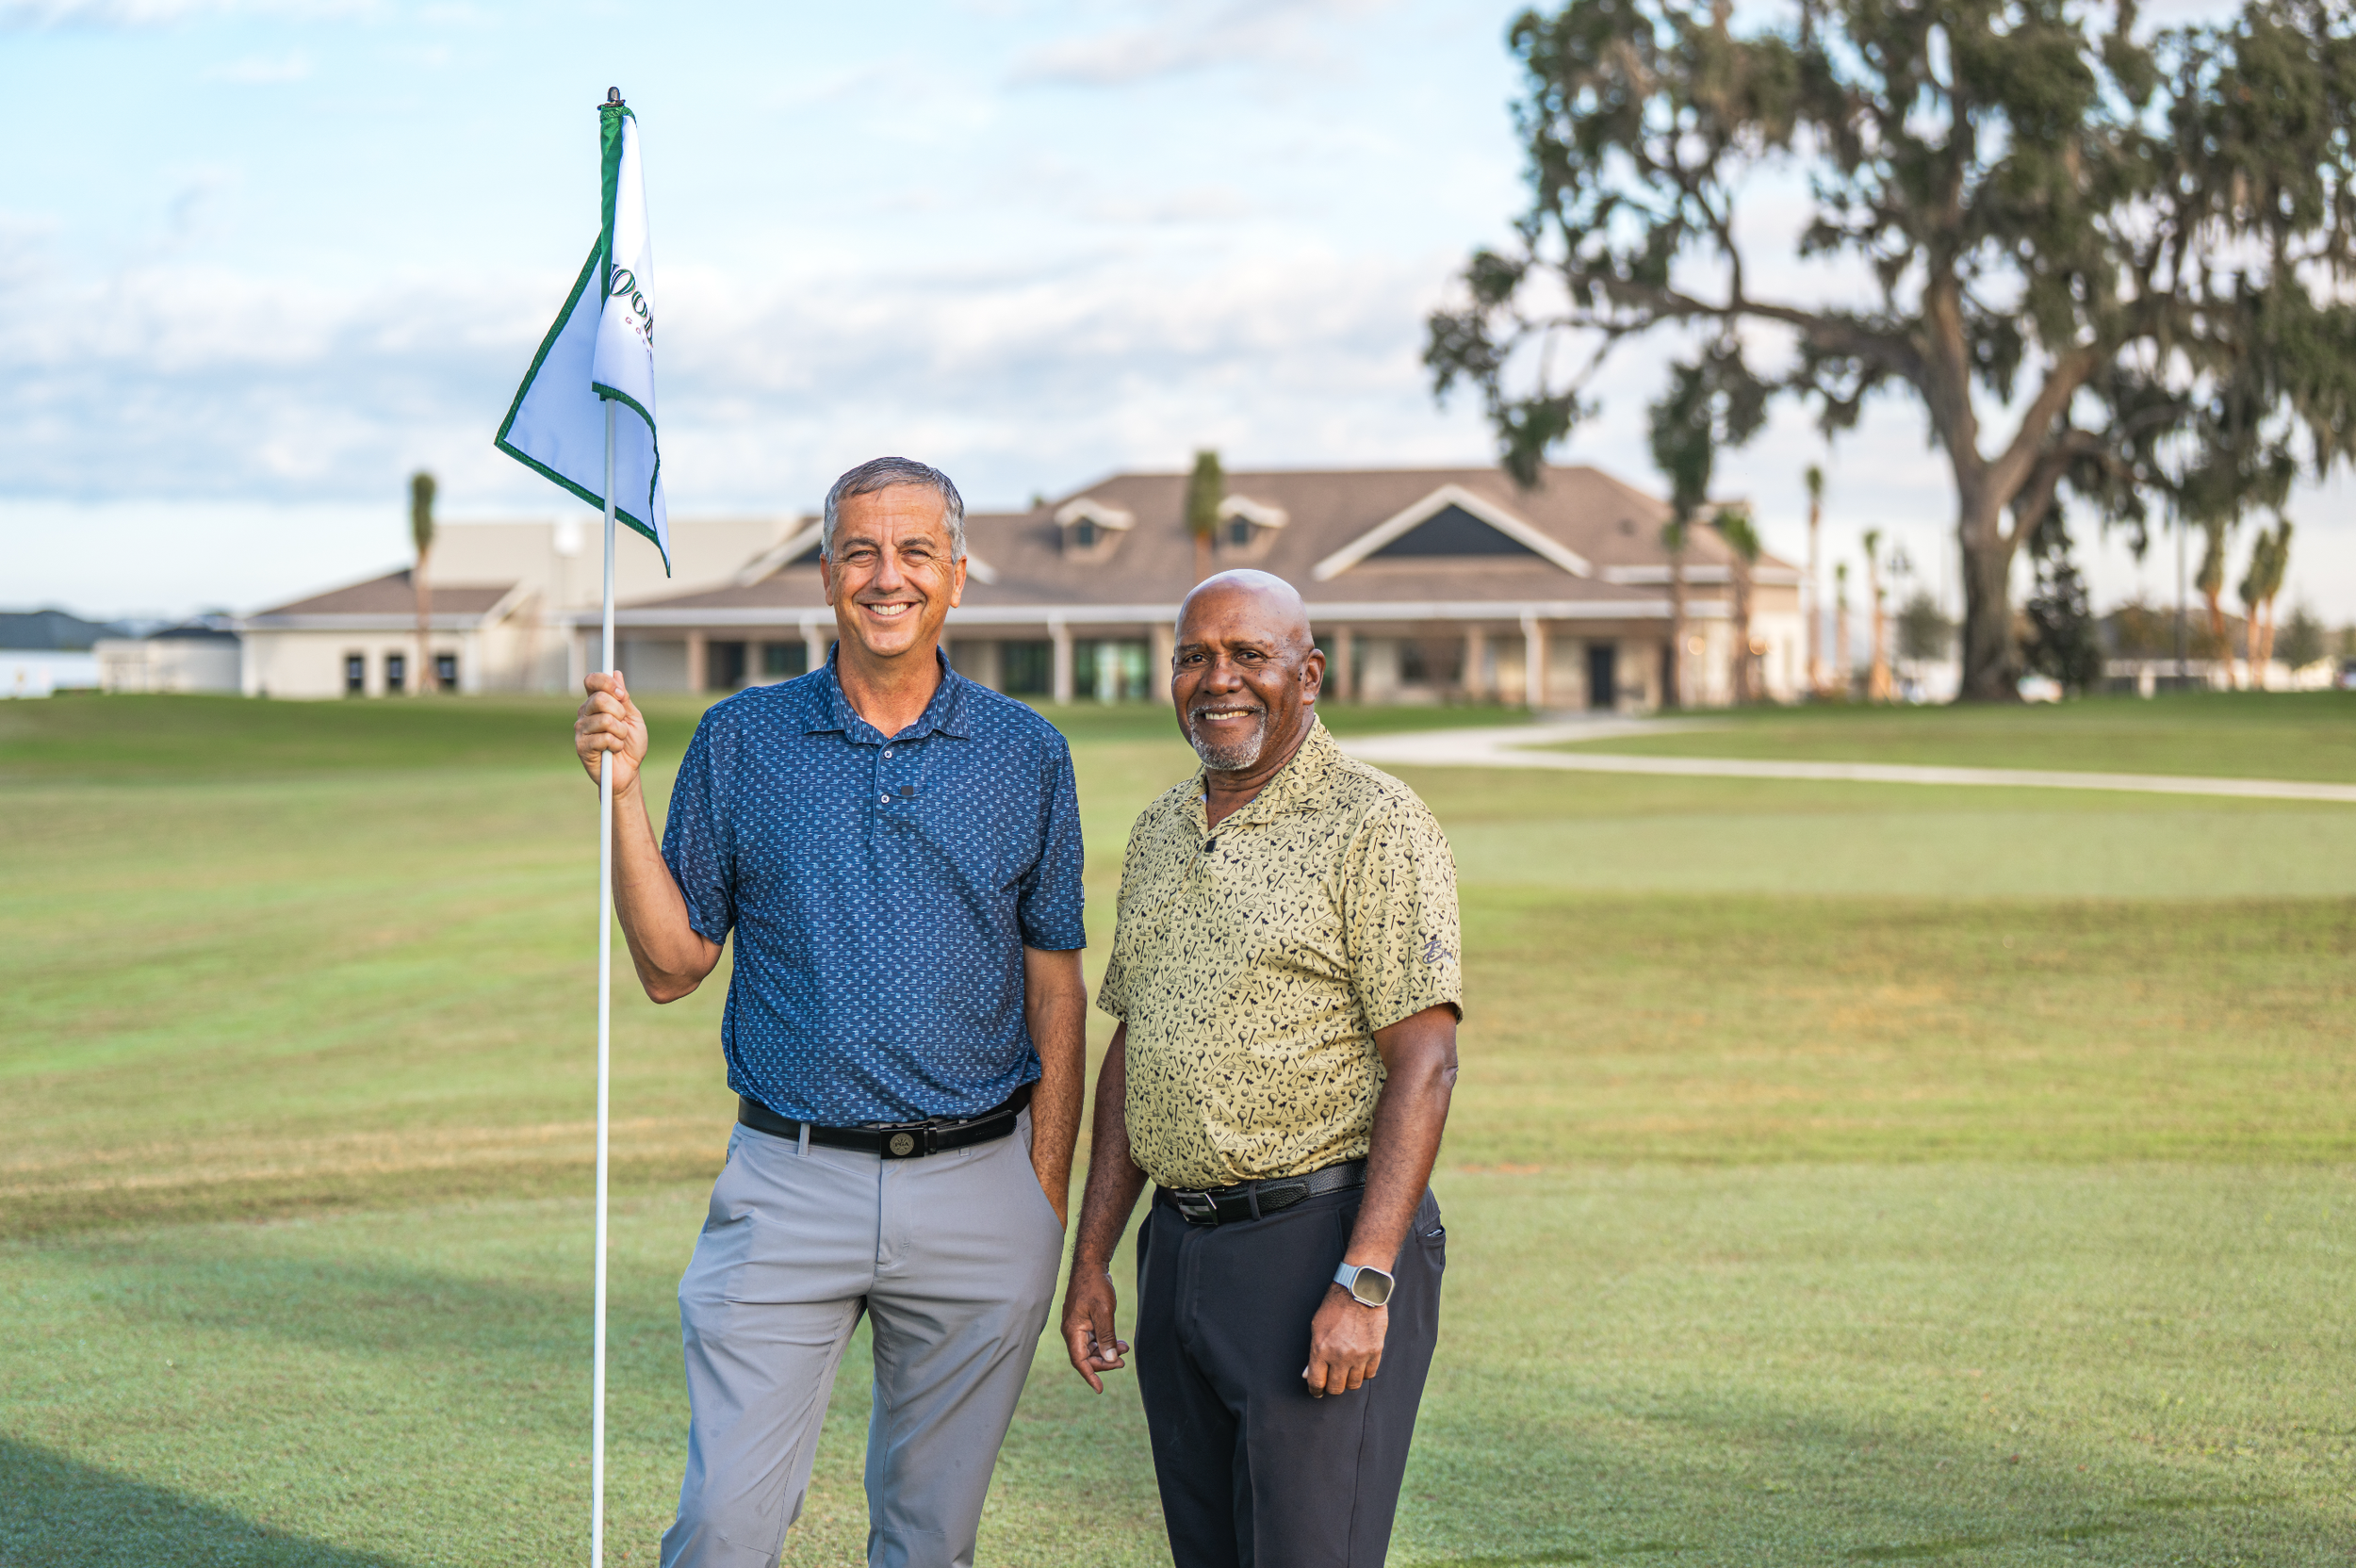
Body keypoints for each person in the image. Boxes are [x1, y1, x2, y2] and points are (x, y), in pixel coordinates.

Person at [573, 456, 1088, 1568]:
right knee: (722, 1530)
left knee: (927, 1541)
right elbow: (671, 965)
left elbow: (1057, 986)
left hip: (978, 1191)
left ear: (956, 576)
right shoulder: (740, 739)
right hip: (787, 1185)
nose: (885, 575)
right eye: (859, 550)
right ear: (824, 576)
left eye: (913, 552)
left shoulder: (1028, 753)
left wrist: (1039, 1198)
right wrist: (622, 795)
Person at [1057, 569, 1462, 1568]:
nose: (1217, 679)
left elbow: (1426, 1061)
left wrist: (1364, 1281)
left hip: (1314, 1242)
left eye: (1249, 654)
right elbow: (1135, 1046)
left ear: (1308, 672)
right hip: (1180, 1252)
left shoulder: (1375, 822)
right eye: (1195, 655)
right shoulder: (1160, 828)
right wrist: (1094, 1255)